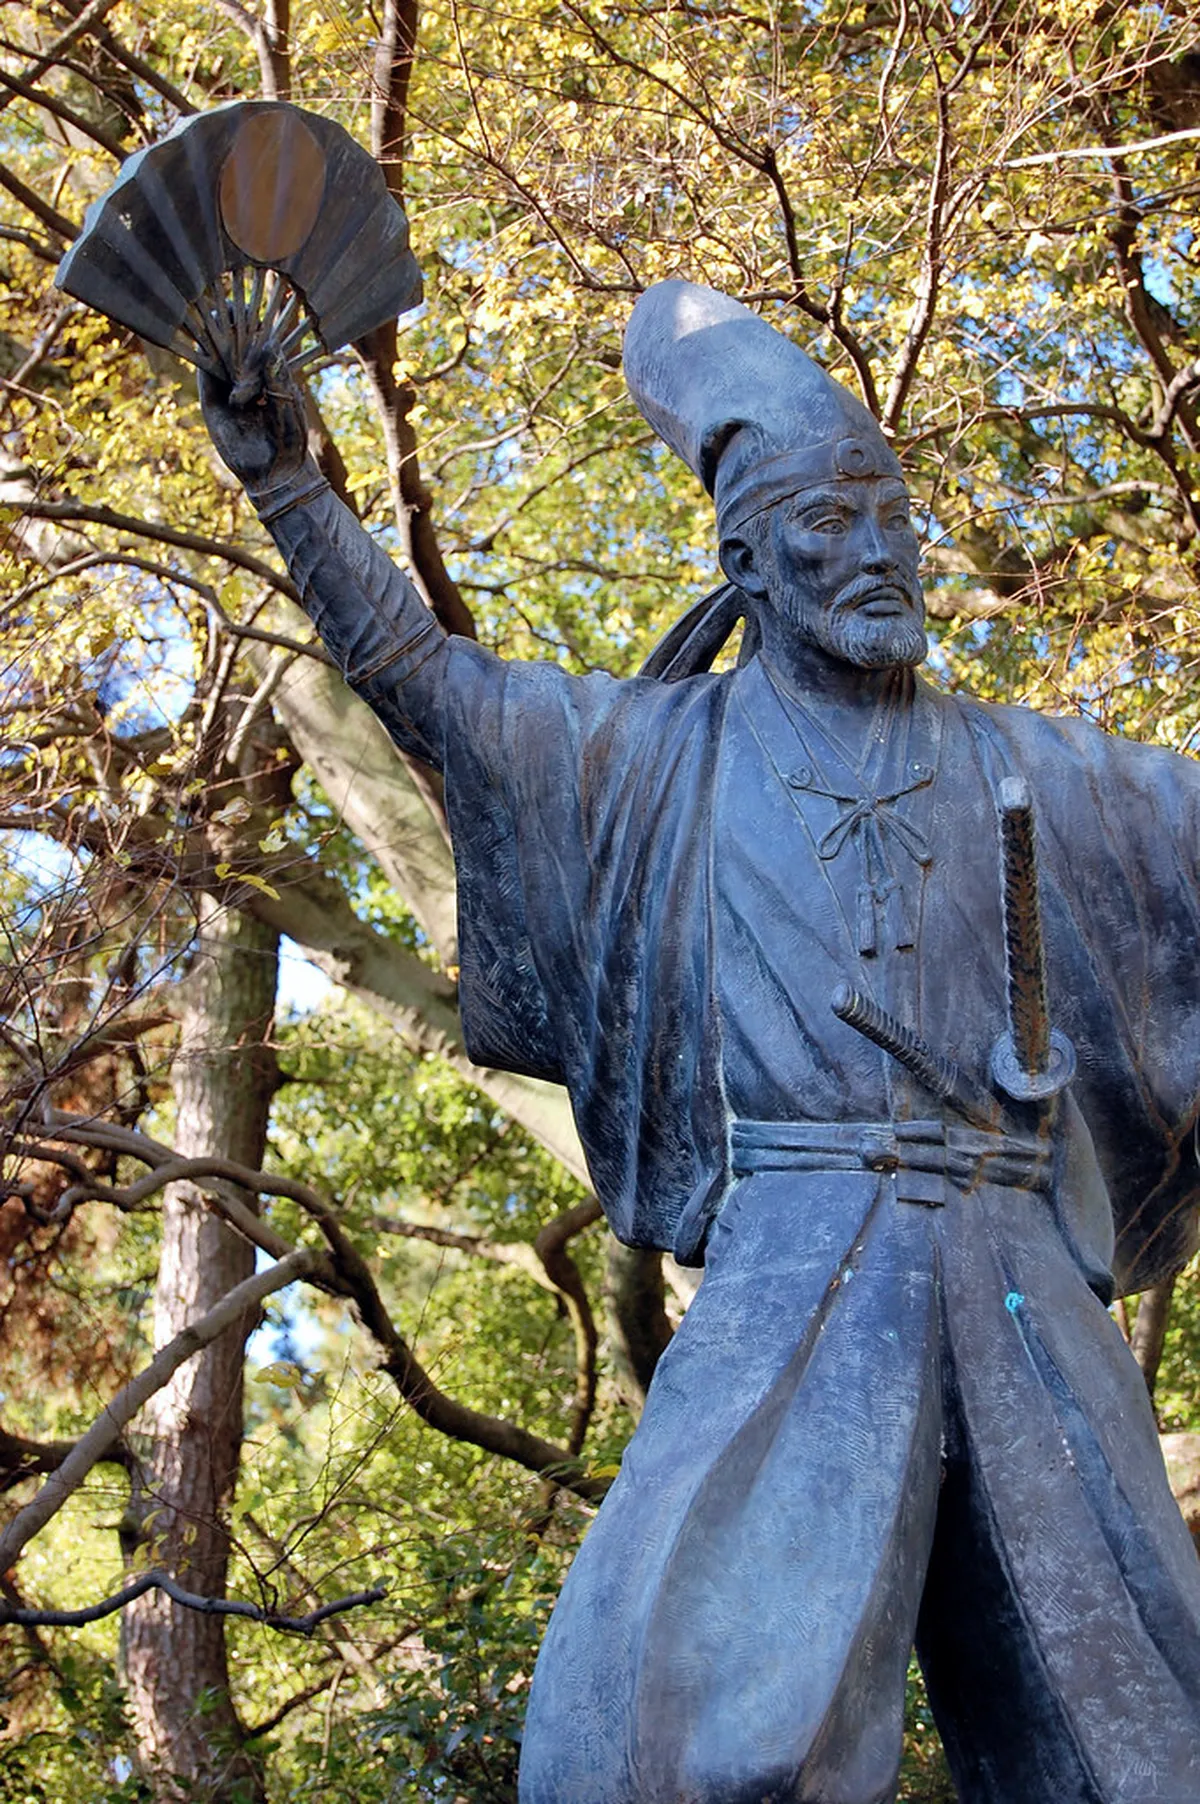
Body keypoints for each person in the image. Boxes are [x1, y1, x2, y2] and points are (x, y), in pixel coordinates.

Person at [201, 280, 1200, 1804]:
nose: (878, 552)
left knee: (1139, 1731)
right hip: (796, 1254)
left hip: (1020, 1272)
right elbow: (428, 683)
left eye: (894, 517)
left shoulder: (1044, 772)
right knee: (654, 1719)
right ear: (745, 562)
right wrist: (287, 480)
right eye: (829, 523)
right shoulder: (651, 760)